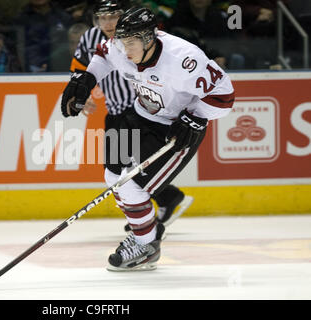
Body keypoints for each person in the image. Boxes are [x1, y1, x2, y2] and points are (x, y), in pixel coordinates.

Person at [61, 7, 234, 271]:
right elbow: (103, 54)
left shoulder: (184, 59)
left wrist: (195, 116)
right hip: (137, 115)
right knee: (112, 176)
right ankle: (147, 230)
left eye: (130, 43)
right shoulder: (121, 46)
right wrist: (86, 80)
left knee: (132, 186)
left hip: (174, 128)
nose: (125, 50)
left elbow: (224, 97)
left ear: (149, 38)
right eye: (122, 41)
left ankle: (146, 245)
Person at [70, 0, 193, 233]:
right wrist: (81, 89)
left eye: (113, 16)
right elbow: (79, 67)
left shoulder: (138, 35)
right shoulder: (90, 38)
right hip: (115, 111)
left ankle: (155, 210)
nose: (107, 23)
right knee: (119, 168)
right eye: (102, 17)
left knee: (131, 169)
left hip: (139, 111)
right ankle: (166, 200)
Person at [13, 0, 73, 72]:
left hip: (61, 71)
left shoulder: (64, 18)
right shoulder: (20, 20)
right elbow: (17, 50)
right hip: (29, 73)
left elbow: (71, 47)